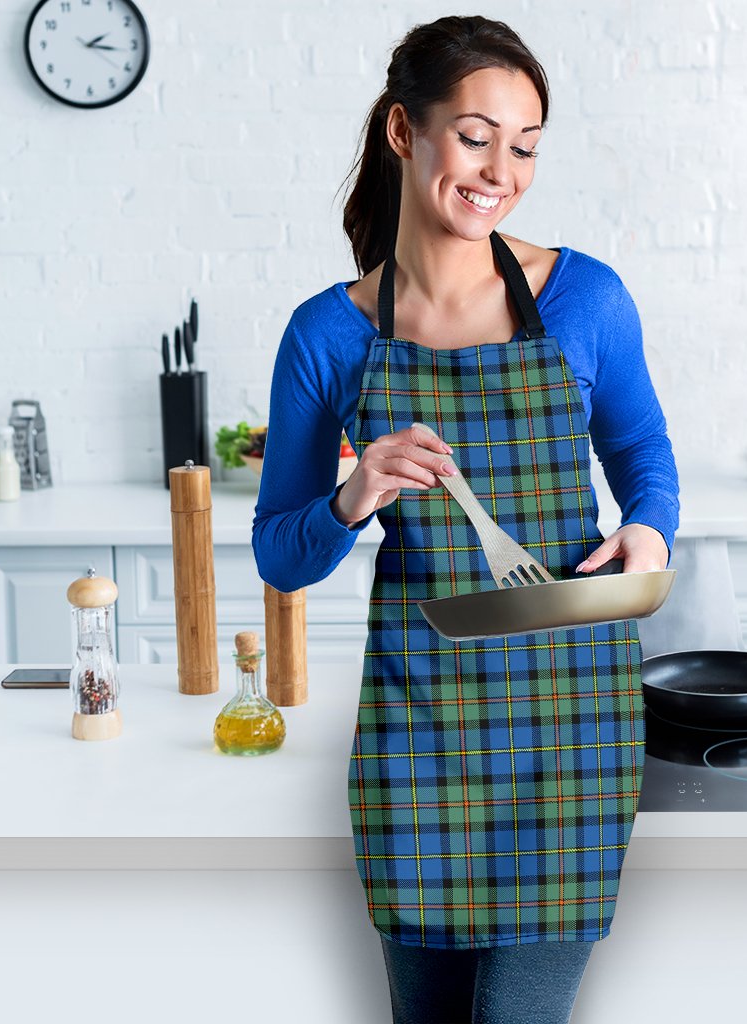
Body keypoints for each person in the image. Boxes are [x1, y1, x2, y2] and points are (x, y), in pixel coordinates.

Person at [252, 14, 679, 1024]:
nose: (501, 170)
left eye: (524, 147)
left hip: (570, 724)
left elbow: (644, 461)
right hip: (421, 731)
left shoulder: (586, 299)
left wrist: (649, 533)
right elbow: (282, 552)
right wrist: (354, 495)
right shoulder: (328, 333)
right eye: (476, 136)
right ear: (406, 133)